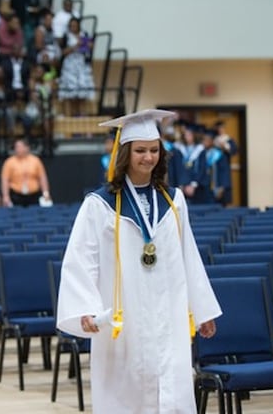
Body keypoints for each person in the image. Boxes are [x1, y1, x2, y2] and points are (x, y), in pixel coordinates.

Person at [56, 109, 221, 413]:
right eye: (141, 151)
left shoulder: (173, 201)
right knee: (126, 392)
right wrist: (85, 308)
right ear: (125, 153)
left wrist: (202, 310)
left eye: (154, 150)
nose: (148, 157)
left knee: (170, 391)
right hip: (123, 316)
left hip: (167, 315)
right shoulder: (99, 204)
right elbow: (82, 258)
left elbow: (189, 256)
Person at [0, 138, 51, 207]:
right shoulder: (9, 162)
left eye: (20, 147)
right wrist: (6, 196)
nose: (18, 149)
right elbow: (5, 180)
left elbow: (42, 178)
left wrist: (46, 193)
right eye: (16, 147)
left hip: (33, 195)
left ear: (27, 148)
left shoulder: (36, 161)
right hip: (16, 195)